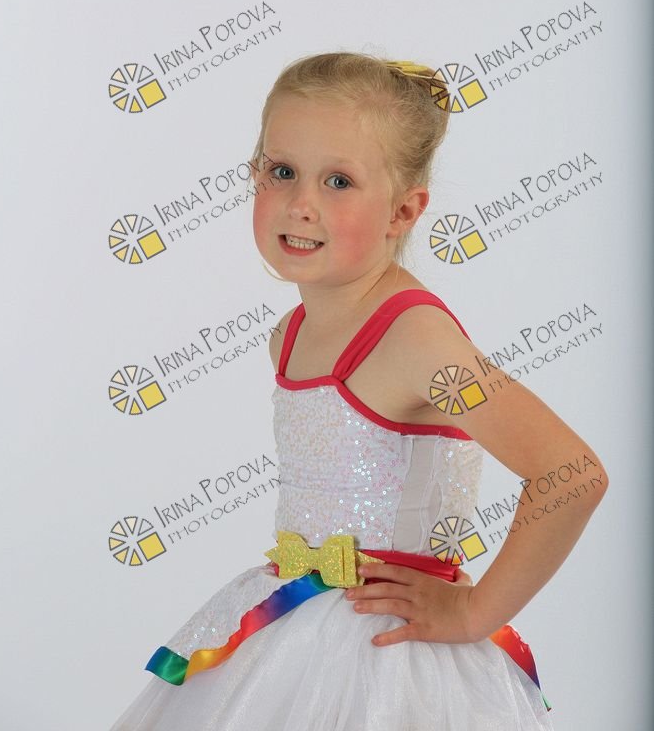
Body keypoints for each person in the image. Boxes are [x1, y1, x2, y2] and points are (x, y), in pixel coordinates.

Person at [109, 52, 608, 730]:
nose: (300, 204)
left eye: (338, 181)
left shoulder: (414, 339)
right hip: (290, 628)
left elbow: (570, 473)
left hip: (387, 654)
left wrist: (475, 611)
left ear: (403, 210)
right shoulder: (289, 334)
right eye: (281, 171)